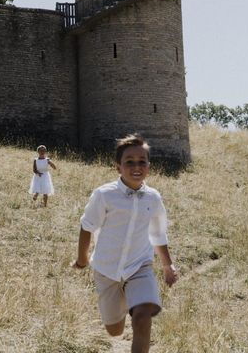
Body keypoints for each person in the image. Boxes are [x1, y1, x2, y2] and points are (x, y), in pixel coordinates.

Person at [72, 133, 178, 353]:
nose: (136, 166)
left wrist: (167, 265)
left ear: (149, 166)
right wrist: (82, 260)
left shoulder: (153, 198)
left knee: (142, 316)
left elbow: (158, 234)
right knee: (114, 331)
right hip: (106, 269)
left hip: (139, 267)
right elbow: (87, 227)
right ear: (118, 167)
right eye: (129, 162)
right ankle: (119, 311)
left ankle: (136, 307)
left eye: (142, 161)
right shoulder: (104, 195)